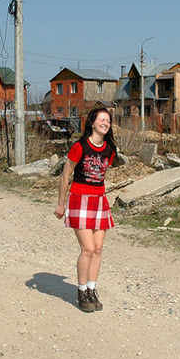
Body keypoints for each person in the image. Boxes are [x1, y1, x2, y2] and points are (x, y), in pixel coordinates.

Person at [54, 107, 117, 313]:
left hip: (99, 201)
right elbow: (65, 176)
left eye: (108, 120)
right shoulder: (80, 146)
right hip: (79, 199)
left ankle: (91, 289)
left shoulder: (110, 148)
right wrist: (61, 204)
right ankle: (81, 292)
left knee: (98, 249)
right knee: (88, 249)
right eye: (101, 119)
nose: (105, 123)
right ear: (92, 122)